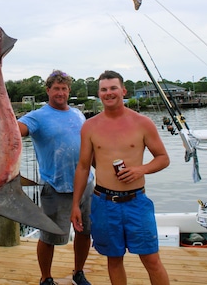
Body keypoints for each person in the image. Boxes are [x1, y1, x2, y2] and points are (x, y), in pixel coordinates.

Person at [71, 70, 170, 285]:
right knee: (114, 260)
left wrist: (140, 170)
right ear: (99, 94)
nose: (109, 93)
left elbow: (163, 158)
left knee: (151, 259)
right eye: (104, 89)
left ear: (123, 90)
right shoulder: (90, 126)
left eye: (113, 88)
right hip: (104, 203)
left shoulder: (142, 123)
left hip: (136, 202)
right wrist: (76, 205)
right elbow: (83, 167)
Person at [18, 70, 94, 285]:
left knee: (84, 231)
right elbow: (14, 131)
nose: (60, 93)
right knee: (49, 236)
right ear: (48, 90)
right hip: (55, 186)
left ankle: (79, 272)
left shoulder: (78, 114)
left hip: (86, 184)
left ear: (69, 91)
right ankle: (46, 277)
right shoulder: (37, 116)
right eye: (56, 88)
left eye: (64, 89)